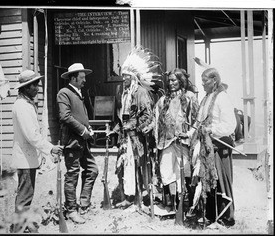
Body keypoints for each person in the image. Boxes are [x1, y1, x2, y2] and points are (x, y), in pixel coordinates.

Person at [12, 70, 63, 233]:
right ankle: (18, 230)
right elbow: (32, 136)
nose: (37, 88)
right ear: (26, 87)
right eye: (34, 85)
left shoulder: (25, 104)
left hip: (27, 158)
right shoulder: (22, 107)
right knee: (24, 197)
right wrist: (51, 148)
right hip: (25, 159)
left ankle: (22, 226)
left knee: (25, 196)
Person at [108, 47, 159, 209]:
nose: (124, 79)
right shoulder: (123, 93)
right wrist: (115, 130)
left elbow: (147, 116)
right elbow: (121, 117)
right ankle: (129, 197)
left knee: (139, 166)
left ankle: (140, 197)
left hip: (138, 138)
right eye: (123, 76)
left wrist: (134, 126)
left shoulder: (141, 92)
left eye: (127, 76)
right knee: (126, 166)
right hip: (126, 137)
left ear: (134, 77)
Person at [186, 67, 237, 227]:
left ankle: (225, 218)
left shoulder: (222, 98)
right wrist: (189, 134)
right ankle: (210, 216)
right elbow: (199, 122)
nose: (202, 84)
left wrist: (212, 130)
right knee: (207, 181)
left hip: (218, 147)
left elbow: (230, 125)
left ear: (214, 80)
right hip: (205, 147)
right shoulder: (206, 98)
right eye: (201, 81)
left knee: (220, 181)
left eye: (205, 81)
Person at [144, 68, 199, 213]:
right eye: (169, 80)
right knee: (166, 170)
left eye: (174, 80)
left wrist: (189, 134)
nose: (171, 83)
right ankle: (170, 203)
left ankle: (188, 205)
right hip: (167, 141)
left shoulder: (190, 97)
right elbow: (156, 119)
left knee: (184, 171)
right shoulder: (164, 100)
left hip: (184, 141)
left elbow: (196, 119)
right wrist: (149, 127)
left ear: (181, 81)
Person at [57, 63, 99, 224]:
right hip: (72, 142)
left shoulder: (78, 93)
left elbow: (80, 115)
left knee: (92, 170)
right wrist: (83, 130)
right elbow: (65, 117)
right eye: (81, 78)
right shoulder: (64, 93)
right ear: (73, 78)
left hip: (83, 141)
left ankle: (84, 204)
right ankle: (71, 210)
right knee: (72, 174)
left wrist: (88, 127)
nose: (84, 81)